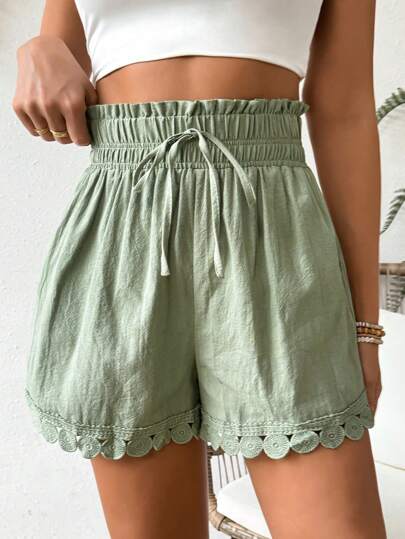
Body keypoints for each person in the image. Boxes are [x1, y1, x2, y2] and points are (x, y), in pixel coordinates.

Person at [13, 1, 387, 538]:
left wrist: (365, 330)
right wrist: (38, 47)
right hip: (127, 223)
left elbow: (345, 111)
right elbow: (63, 53)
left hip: (273, 229)